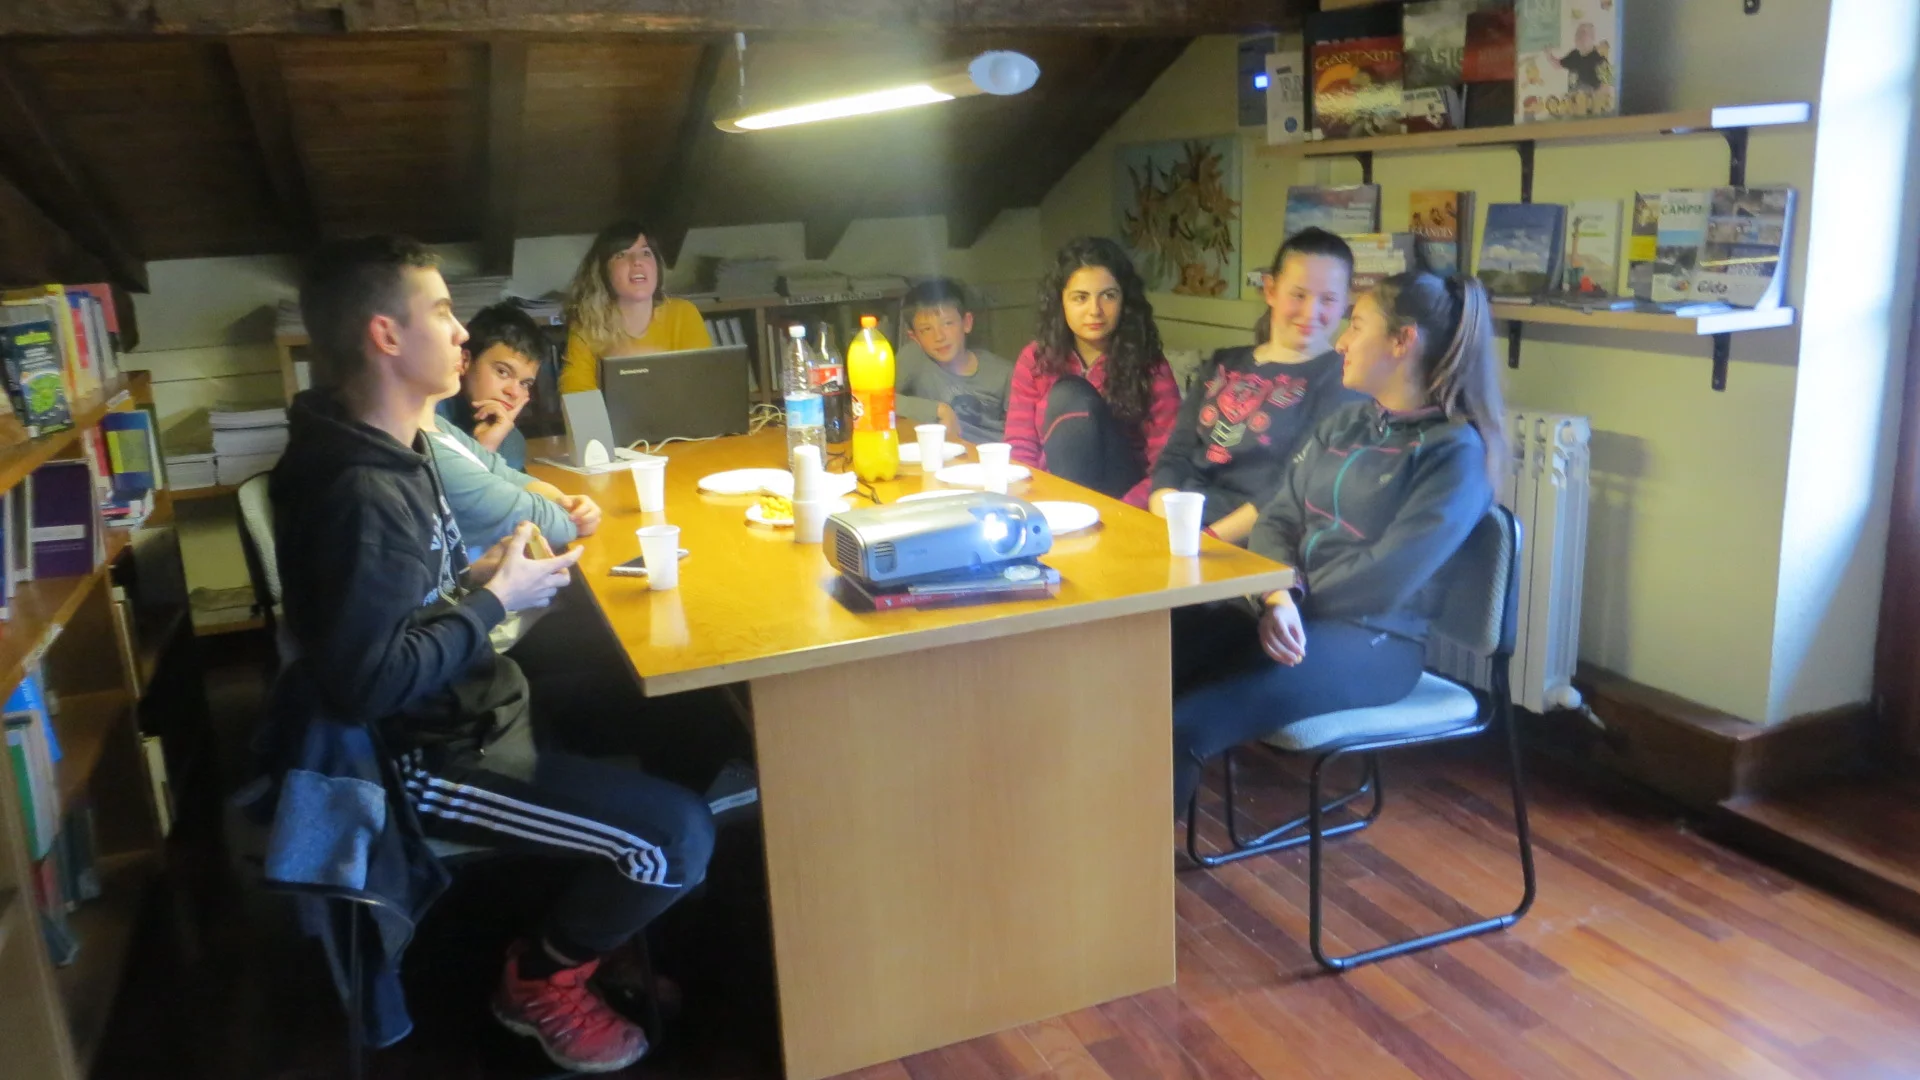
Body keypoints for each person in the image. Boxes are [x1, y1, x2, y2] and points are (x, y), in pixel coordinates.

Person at [269, 235, 714, 1072]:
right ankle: (540, 977)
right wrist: (494, 601)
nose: (462, 333)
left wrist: (473, 578)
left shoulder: (394, 443)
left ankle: (606, 922)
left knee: (683, 715)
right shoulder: (359, 489)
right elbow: (370, 682)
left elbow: (392, 602)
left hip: (473, 702)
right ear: (385, 335)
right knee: (679, 837)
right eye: (441, 312)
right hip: (429, 758)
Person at [1171, 270, 1507, 814]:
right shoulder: (1345, 424)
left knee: (1184, 726)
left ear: (1402, 341)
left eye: (1356, 324)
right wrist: (1277, 594)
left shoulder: (1455, 454)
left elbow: (1384, 577)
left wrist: (1288, 597)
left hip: (1374, 642)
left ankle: (1130, 868)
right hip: (1289, 613)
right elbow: (1277, 518)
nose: (1342, 341)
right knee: (1153, 658)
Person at [1149, 228, 1362, 546]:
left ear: (1346, 302)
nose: (1311, 312)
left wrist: (1207, 540)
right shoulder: (1221, 362)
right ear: (1271, 290)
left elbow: (1292, 487)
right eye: (1298, 295)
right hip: (1179, 527)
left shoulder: (1341, 380)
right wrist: (1166, 520)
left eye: (1328, 299)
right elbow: (1176, 454)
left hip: (1253, 540)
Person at [1005, 237, 1180, 507]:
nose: (1095, 311)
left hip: (1121, 500)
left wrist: (1119, 511)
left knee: (1070, 394)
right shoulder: (1035, 359)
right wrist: (1034, 502)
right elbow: (1021, 447)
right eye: (1081, 298)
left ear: (1125, 300)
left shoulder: (1149, 365)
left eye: (1108, 296)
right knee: (1067, 394)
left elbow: (1168, 462)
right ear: (1061, 302)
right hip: (1055, 500)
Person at [557, 221, 713, 395]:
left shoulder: (683, 313)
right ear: (603, 270)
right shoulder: (586, 324)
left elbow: (702, 385)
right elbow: (575, 394)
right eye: (622, 255)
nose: (637, 261)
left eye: (646, 253)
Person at [895, 277, 1015, 444]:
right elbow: (869, 400)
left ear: (967, 323)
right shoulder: (915, 358)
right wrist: (939, 410)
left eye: (947, 323)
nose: (939, 336)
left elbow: (1024, 433)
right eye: (926, 329)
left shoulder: (1003, 372)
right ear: (915, 337)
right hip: (943, 455)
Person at [436, 302, 546, 469]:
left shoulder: (511, 441)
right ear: (465, 361)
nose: (514, 392)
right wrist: (483, 449)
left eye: (525, 383)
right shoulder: (428, 422)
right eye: (502, 372)